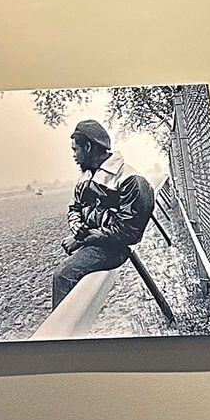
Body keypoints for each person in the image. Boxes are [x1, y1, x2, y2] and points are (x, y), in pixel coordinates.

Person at [52, 119, 154, 307]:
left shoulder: (131, 179)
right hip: (96, 242)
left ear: (88, 147)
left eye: (75, 150)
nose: (74, 156)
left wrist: (83, 238)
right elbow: (74, 208)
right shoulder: (86, 176)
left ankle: (64, 334)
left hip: (115, 248)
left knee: (63, 275)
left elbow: (128, 233)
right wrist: (78, 229)